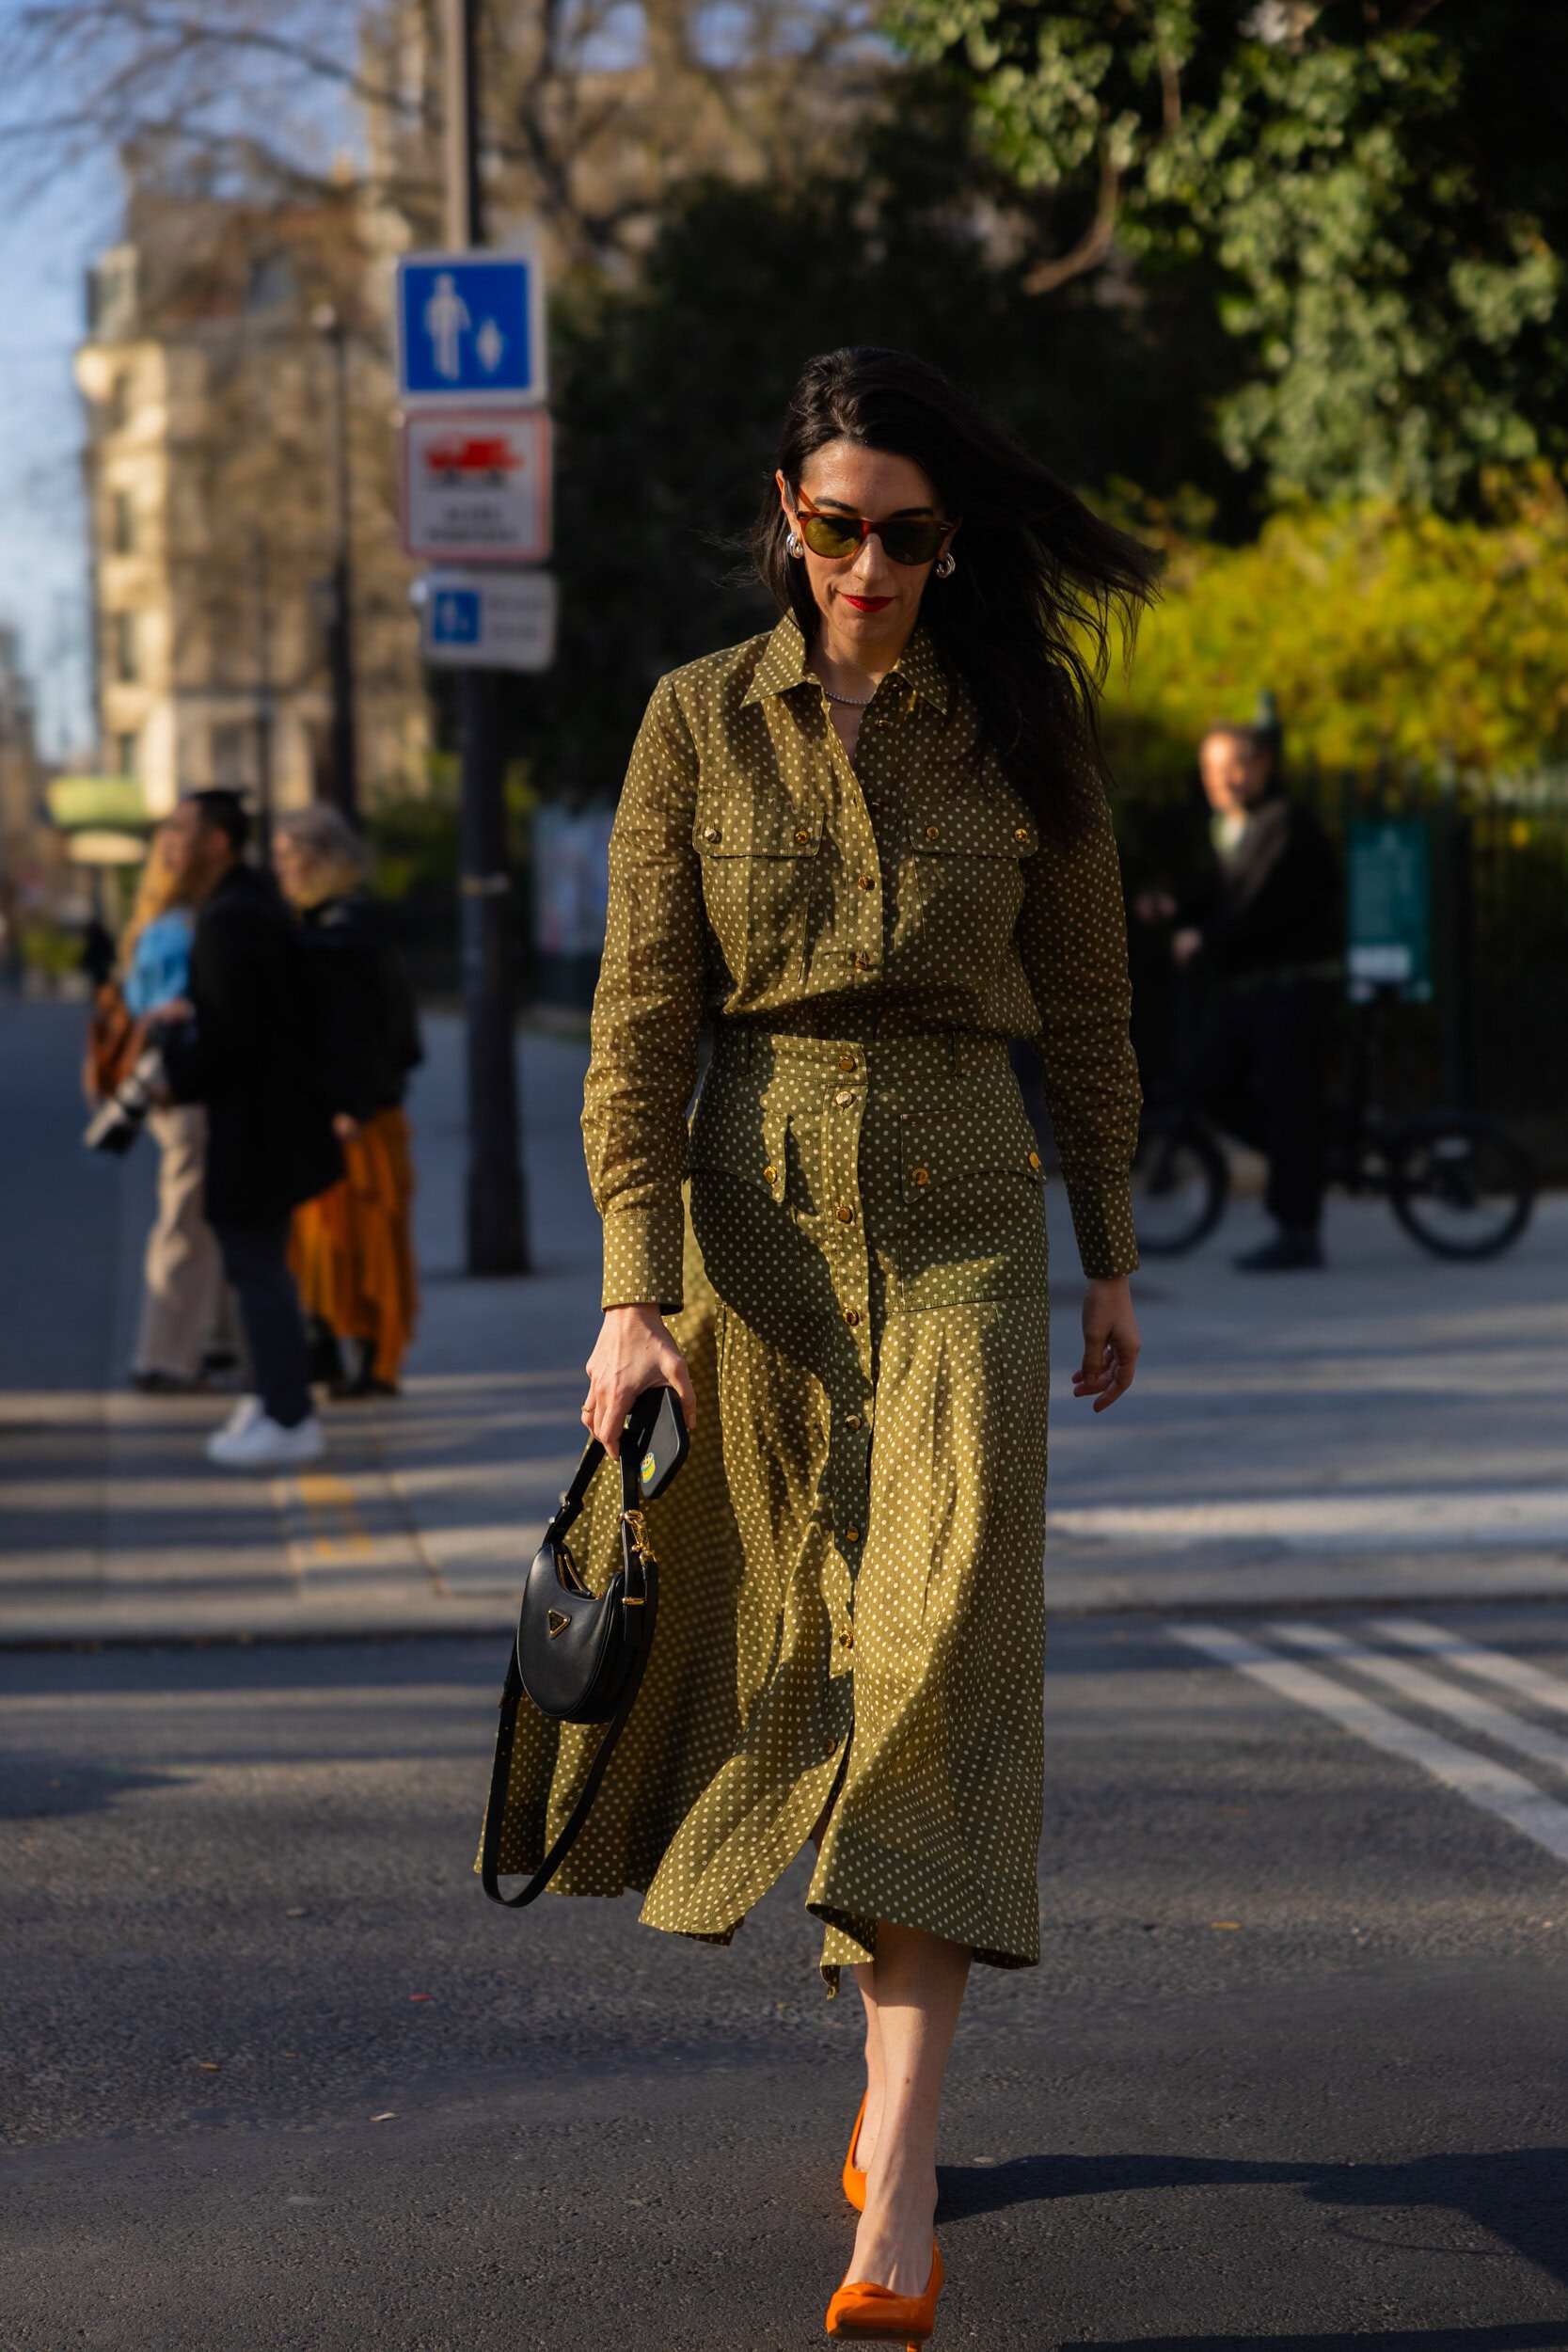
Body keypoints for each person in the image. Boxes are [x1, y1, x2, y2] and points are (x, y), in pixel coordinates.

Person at [484, 347, 1153, 2344]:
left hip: (961, 1203)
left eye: (908, 537)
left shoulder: (1024, 727)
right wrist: (631, 1290)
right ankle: (886, 2104)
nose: (866, 568)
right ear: (786, 512)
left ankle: (902, 2172)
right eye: (835, 526)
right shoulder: (695, 719)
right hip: (749, 1224)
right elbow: (637, 1024)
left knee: (941, 1646)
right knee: (809, 1656)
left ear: (953, 542)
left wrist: (1106, 1252)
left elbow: (1092, 1014)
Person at [150, 790, 341, 1469]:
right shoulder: (242, 907)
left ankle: (288, 1416)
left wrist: (176, 1069)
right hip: (269, 1122)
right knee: (258, 1269)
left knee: (258, 1272)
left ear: (218, 841)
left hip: (256, 1128)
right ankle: (273, 1401)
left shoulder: (232, 916)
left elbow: (237, 1038)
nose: (168, 841)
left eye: (181, 829)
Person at [1138, 722, 1341, 1270]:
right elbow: (1220, 892)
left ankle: (1298, 1229)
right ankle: (1302, 1157)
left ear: (1259, 767)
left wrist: (1202, 936)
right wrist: (1176, 909)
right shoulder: (1238, 827)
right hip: (1250, 991)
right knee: (1208, 1085)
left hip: (1290, 989)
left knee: (1288, 1106)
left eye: (1231, 766)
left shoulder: (1283, 825)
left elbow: (1257, 905)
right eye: (1209, 768)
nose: (1218, 779)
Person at [273, 804, 423, 1397]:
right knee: (331, 1247)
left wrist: (351, 1105)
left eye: (290, 856)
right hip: (349, 1112)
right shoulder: (344, 926)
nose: (281, 868)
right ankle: (340, 1357)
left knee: (361, 1246)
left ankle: (367, 1362)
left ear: (322, 859)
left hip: (355, 1120)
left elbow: (362, 1032)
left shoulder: (345, 933)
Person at [117, 824, 236, 1392]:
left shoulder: (148, 929)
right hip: (187, 1085)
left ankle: (212, 1342)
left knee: (198, 1216)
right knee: (186, 1218)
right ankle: (164, 1355)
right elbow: (178, 1010)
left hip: (170, 1085)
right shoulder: (180, 931)